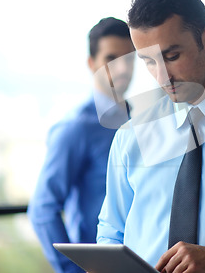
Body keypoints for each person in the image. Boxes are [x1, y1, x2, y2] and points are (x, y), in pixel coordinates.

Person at [97, 0, 205, 273]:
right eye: (148, 61)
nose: (162, 77)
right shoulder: (131, 135)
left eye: (172, 57)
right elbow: (112, 229)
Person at [28, 17, 135, 273]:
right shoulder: (76, 128)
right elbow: (43, 209)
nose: (122, 69)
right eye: (111, 59)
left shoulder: (142, 122)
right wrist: (74, 270)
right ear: (91, 64)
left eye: (129, 59)